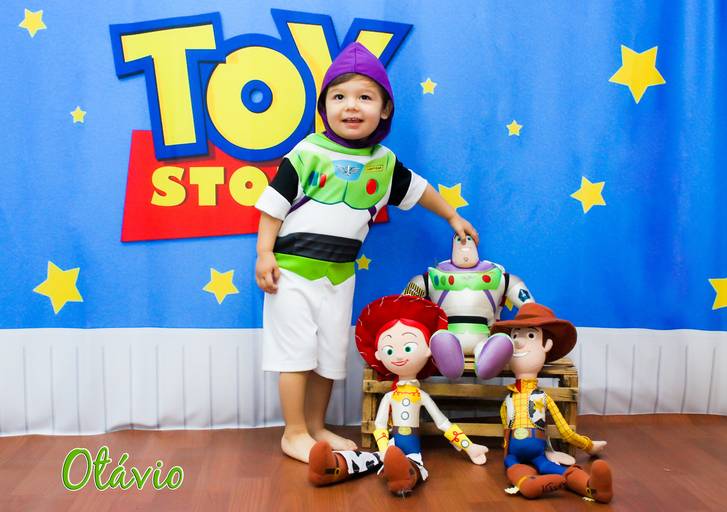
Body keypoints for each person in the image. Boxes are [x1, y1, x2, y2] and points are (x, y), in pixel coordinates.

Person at [254, 42, 479, 463]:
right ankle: (294, 432)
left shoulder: (384, 163)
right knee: (295, 353)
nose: (351, 106)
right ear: (324, 107)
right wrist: (265, 253)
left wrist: (452, 216)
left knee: (329, 354)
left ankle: (317, 426)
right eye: (339, 96)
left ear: (385, 109)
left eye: (364, 97)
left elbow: (421, 191)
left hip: (340, 275)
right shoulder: (307, 153)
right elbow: (273, 206)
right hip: (292, 273)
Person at [308, 295, 487, 495]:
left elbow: (443, 423)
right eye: (389, 350)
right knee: (368, 458)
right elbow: (380, 426)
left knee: (413, 466)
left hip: (412, 451)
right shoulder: (390, 397)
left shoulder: (420, 396)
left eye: (409, 347)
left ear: (428, 350)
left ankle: (402, 475)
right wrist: (385, 449)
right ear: (378, 354)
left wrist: (469, 446)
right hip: (389, 447)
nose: (399, 356)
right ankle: (333, 466)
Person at [490, 303, 614, 503]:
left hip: (539, 451)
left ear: (546, 346)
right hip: (514, 453)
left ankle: (592, 488)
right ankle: (529, 483)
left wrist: (588, 446)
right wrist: (505, 454)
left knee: (553, 467)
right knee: (512, 465)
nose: (518, 342)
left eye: (531, 335)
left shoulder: (542, 397)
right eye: (514, 336)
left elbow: (565, 430)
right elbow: (506, 431)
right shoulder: (508, 399)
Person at [403, 233, 534, 380]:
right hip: (449, 333)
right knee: (442, 339)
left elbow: (529, 305)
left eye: (469, 239)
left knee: (499, 342)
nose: (464, 243)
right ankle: (449, 360)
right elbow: (403, 304)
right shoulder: (431, 277)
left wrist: (532, 313)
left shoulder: (500, 277)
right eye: (459, 239)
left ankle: (488, 361)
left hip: (484, 335)